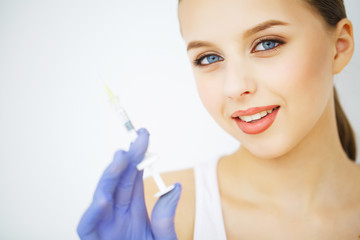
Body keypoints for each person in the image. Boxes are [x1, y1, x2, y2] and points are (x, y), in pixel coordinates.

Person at [77, 0, 360, 239]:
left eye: (267, 43)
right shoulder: (159, 211)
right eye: (209, 58)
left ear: (340, 46)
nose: (234, 87)